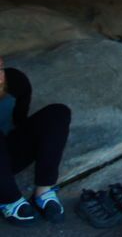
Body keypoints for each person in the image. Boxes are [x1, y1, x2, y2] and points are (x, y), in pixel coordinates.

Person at [0, 56, 71, 226]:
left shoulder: (16, 81)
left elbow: (20, 120)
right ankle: (9, 200)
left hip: (8, 155)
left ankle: (43, 192)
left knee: (58, 112)